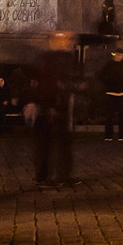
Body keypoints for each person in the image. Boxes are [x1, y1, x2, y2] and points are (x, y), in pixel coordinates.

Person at [29, 31, 84, 187]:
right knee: (45, 142)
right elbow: (46, 83)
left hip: (61, 105)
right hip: (50, 106)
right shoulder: (48, 59)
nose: (69, 42)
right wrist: (50, 105)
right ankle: (44, 177)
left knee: (63, 141)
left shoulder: (67, 59)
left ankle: (62, 175)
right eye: (64, 39)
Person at [98, 49, 123, 142]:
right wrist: (108, 84)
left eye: (120, 55)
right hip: (111, 92)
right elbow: (101, 75)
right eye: (116, 55)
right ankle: (108, 135)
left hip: (122, 92)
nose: (118, 57)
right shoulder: (109, 64)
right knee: (109, 115)